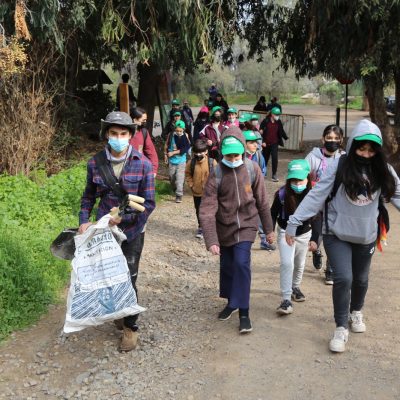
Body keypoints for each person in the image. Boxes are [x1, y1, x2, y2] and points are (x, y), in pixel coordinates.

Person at [285, 119, 400, 353]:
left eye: (371, 149)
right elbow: (317, 194)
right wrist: (294, 221)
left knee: (361, 279)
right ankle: (340, 327)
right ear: (353, 145)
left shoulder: (383, 169)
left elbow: (396, 192)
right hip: (336, 233)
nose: (366, 154)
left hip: (366, 235)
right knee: (343, 278)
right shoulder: (339, 166)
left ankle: (356, 311)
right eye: (361, 148)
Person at [78, 111, 155, 352]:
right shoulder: (95, 163)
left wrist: (125, 217)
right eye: (114, 133)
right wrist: (84, 220)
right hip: (105, 233)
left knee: (129, 276)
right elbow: (88, 197)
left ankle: (130, 327)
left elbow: (149, 203)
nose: (118, 138)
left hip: (132, 231)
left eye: (123, 133)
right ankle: (118, 311)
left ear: (131, 136)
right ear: (106, 135)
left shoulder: (142, 164)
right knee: (109, 276)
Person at [199, 126, 275, 334]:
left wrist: (268, 229)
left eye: (236, 154)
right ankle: (232, 302)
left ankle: (244, 312)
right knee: (228, 266)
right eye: (229, 154)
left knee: (242, 264)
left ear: (242, 150)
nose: (233, 158)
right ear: (222, 152)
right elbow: (207, 210)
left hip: (248, 225)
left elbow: (262, 201)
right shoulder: (216, 173)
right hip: (224, 226)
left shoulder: (252, 169)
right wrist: (211, 239)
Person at [271, 160, 320, 315]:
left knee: (299, 264)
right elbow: (273, 213)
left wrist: (315, 239)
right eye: (294, 180)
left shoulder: (314, 195)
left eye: (300, 180)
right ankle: (286, 299)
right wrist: (269, 231)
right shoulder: (282, 194)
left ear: (308, 178)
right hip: (286, 233)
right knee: (287, 263)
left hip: (305, 234)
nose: (297, 183)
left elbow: (318, 218)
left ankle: (295, 287)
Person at [305, 124, 345, 283]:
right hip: (317, 204)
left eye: (336, 138)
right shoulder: (312, 157)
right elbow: (302, 177)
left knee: (335, 235)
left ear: (341, 140)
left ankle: (331, 269)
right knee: (319, 234)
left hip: (336, 204)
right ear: (323, 139)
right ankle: (317, 250)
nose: (332, 141)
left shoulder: (344, 158)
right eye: (329, 138)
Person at [243, 130, 275, 252]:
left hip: (256, 189)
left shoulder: (258, 155)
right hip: (245, 192)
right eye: (251, 143)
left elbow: (263, 169)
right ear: (243, 143)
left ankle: (264, 239)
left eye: (256, 142)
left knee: (262, 210)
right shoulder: (238, 157)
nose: (255, 145)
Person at [185, 139, 216, 239]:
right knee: (199, 210)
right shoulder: (191, 163)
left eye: (201, 152)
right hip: (197, 192)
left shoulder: (212, 162)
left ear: (206, 151)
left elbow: (218, 176)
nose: (199, 154)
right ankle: (201, 227)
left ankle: (210, 228)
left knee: (210, 210)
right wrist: (191, 184)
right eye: (197, 152)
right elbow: (188, 174)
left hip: (210, 193)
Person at [164, 120, 191, 203]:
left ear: (184, 129)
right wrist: (165, 154)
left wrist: (174, 152)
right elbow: (166, 145)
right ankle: (176, 188)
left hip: (181, 160)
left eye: (180, 131)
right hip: (172, 160)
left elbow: (185, 148)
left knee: (180, 177)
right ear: (175, 129)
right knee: (172, 177)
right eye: (177, 131)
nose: (179, 132)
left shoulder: (185, 136)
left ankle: (179, 195)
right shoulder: (171, 135)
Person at [260, 107, 288, 182]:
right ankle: (263, 172)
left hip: (274, 143)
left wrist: (286, 137)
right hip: (266, 143)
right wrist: (263, 141)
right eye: (276, 114)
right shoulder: (265, 121)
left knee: (275, 159)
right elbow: (260, 131)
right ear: (272, 114)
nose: (277, 116)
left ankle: (274, 175)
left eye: (278, 114)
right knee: (265, 158)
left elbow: (281, 131)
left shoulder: (278, 121)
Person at [130, 107, 159, 176]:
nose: (145, 122)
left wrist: (154, 169)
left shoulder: (143, 132)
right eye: (143, 120)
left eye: (145, 120)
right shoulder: (124, 133)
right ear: (135, 119)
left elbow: (151, 151)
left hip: (140, 169)